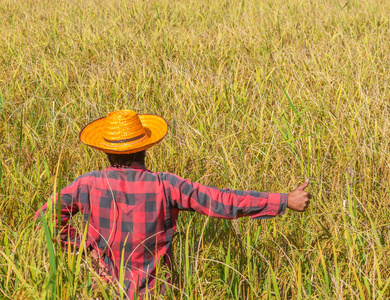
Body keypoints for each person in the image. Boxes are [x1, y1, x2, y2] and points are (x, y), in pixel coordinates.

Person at [35, 109, 311, 299]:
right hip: (156, 293)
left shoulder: (86, 185)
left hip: (100, 292)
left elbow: (43, 221)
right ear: (146, 146)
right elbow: (222, 201)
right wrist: (284, 200)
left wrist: (86, 249)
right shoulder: (167, 185)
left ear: (105, 150)